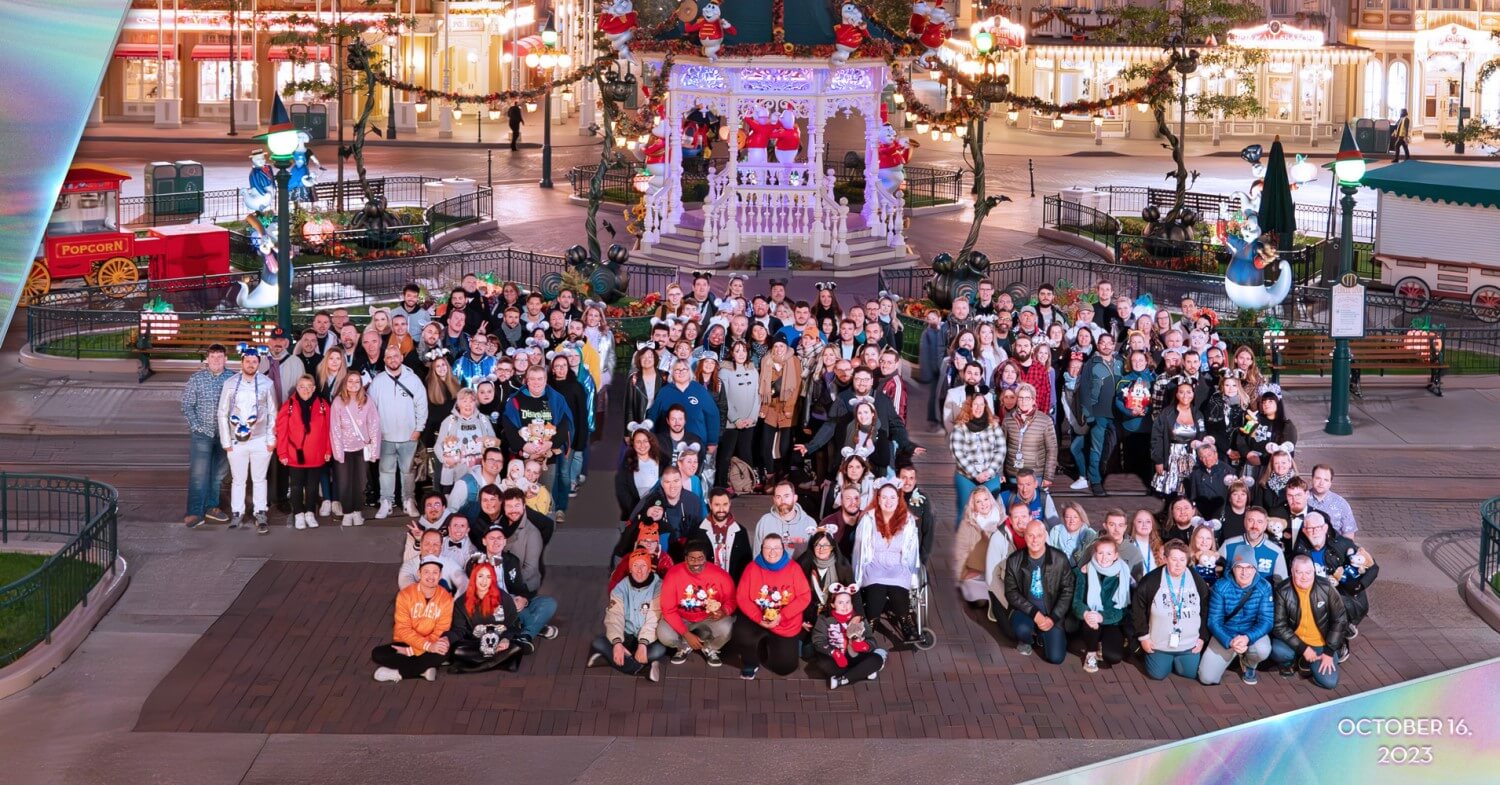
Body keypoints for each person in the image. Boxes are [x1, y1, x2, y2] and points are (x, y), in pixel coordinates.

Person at [852, 481, 924, 644]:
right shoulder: (868, 520)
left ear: (899, 499)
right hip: (874, 563)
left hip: (898, 564)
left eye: (892, 497)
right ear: (877, 499)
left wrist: (913, 573)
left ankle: (906, 623)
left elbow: (912, 550)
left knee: (897, 588)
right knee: (876, 590)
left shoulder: (907, 521)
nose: (888, 501)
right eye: (884, 497)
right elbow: (859, 549)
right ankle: (871, 623)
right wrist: (857, 573)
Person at [732, 533, 812, 680]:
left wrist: (782, 616)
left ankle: (768, 644)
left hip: (784, 620)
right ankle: (751, 661)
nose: (772, 552)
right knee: (741, 631)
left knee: (785, 668)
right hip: (758, 616)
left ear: (783, 549)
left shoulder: (794, 569)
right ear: (761, 549)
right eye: (768, 547)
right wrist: (757, 617)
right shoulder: (752, 568)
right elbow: (742, 597)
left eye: (776, 547)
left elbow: (804, 596)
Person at [1292, 511, 1377, 648]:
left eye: (1318, 528)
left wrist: (1358, 585)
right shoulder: (1300, 549)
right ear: (1304, 531)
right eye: (1309, 529)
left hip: (1347, 599)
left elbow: (1372, 567)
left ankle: (1339, 642)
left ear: (1325, 528)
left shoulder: (1342, 545)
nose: (1314, 532)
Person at [469, 522, 559, 650]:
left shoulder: (511, 560)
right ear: (484, 541)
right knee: (517, 611)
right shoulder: (476, 561)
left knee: (548, 603)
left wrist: (524, 599)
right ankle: (530, 632)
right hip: (494, 607)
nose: (496, 542)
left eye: (499, 538)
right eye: (492, 538)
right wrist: (507, 601)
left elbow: (519, 587)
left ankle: (526, 631)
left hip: (514, 601)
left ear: (505, 541)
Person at [218, 346, 278, 534]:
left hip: (260, 439)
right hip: (236, 441)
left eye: (254, 362)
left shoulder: (267, 383)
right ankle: (237, 512)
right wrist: (226, 441)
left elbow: (272, 413)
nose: (251, 364)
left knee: (260, 478)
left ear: (259, 364)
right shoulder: (230, 383)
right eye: (247, 361)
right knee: (238, 479)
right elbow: (222, 412)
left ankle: (261, 512)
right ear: (242, 362)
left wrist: (271, 439)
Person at [1133, 540, 1210, 681]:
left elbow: (1205, 608)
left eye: (1182, 559)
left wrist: (1202, 637)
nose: (1178, 564)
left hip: (1189, 643)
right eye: (1174, 559)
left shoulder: (1195, 579)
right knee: (1157, 674)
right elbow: (1138, 610)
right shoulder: (1151, 580)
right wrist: (1143, 637)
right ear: (1165, 559)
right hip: (1160, 644)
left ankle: (1177, 660)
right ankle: (1156, 658)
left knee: (1190, 674)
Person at [1199, 544, 1275, 685]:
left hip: (1249, 634)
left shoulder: (1264, 587)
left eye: (1249, 567)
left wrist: (1247, 637)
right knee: (1207, 678)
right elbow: (1214, 621)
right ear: (1233, 568)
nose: (1244, 572)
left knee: (1263, 650)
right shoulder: (1221, 586)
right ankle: (1233, 653)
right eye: (1240, 567)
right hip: (1226, 634)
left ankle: (1249, 663)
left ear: (1255, 569)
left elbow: (1267, 620)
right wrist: (1230, 640)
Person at [1001, 520, 1075, 664]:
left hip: (1052, 611)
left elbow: (1067, 590)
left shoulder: (1059, 559)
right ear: (1024, 536)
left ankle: (1044, 635)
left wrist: (1053, 618)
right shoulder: (1014, 560)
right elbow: (1011, 592)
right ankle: (1028, 638)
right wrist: (1036, 614)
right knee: (1021, 630)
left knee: (1056, 658)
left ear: (1045, 536)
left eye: (1039, 535)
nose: (1035, 540)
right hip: (1026, 610)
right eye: (1030, 535)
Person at [368, 344, 428, 519]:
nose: (393, 360)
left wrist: (419, 429)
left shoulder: (413, 379)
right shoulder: (378, 381)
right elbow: (372, 410)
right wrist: (375, 434)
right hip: (385, 436)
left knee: (408, 471)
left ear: (401, 358)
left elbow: (421, 405)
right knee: (385, 471)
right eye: (389, 357)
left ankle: (409, 501)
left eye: (396, 356)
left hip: (409, 435)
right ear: (384, 360)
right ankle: (386, 502)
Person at [1271, 554, 1347, 688]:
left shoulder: (1326, 588)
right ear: (1292, 572)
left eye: (1308, 572)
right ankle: (1292, 662)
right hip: (1295, 642)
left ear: (1314, 571)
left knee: (1329, 682)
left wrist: (1329, 652)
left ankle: (1310, 662)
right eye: (1299, 572)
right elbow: (1279, 626)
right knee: (1277, 650)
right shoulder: (1283, 590)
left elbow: (1340, 620)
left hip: (1321, 644)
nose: (1304, 577)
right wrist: (1303, 648)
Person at [658, 540, 737, 667]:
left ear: (706, 558)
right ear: (685, 559)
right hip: (682, 617)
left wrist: (724, 611)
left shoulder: (720, 575)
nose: (696, 562)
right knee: (663, 634)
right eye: (692, 558)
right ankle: (683, 646)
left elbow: (732, 600)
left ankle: (709, 647)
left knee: (727, 628)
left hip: (708, 617)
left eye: (700, 558)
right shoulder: (673, 574)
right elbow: (668, 609)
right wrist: (686, 634)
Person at [372, 557, 453, 683]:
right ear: (419, 573)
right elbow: (403, 630)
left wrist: (413, 651)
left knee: (444, 652)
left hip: (430, 644)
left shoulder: (446, 599)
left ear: (440, 575)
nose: (431, 576)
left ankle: (398, 674)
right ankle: (422, 669)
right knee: (378, 654)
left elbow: (440, 631)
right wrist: (425, 647)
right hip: (407, 642)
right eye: (426, 572)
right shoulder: (405, 595)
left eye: (435, 572)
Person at [183, 344, 234, 528]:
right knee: (199, 474)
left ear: (225, 359)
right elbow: (187, 405)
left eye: (220, 357)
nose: (216, 360)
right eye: (213, 357)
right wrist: (197, 427)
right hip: (202, 433)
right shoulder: (197, 379)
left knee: (218, 474)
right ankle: (195, 512)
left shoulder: (232, 378)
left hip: (224, 434)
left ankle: (212, 507)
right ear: (207, 359)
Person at [445, 562, 524, 674]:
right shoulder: (461, 602)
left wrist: (505, 638)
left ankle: (471, 668)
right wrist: (445, 639)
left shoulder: (503, 597)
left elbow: (513, 623)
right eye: (480, 576)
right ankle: (501, 663)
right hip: (474, 644)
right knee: (457, 651)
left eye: (488, 577)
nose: (484, 581)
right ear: (473, 578)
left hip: (499, 643)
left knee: (517, 647)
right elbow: (459, 630)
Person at [275, 374, 332, 530]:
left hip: (316, 454)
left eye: (309, 387)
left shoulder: (322, 405)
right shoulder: (289, 405)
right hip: (295, 454)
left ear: (313, 388)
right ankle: (299, 513)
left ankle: (309, 512)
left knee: (313, 486)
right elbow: (281, 431)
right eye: (302, 387)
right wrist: (282, 453)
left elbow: (329, 430)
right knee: (296, 486)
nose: (305, 390)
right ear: (297, 388)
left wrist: (328, 449)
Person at [812, 581, 887, 689]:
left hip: (855, 655)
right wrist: (833, 652)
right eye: (841, 603)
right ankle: (862, 672)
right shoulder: (824, 618)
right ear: (832, 604)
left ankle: (841, 680)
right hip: (834, 657)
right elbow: (818, 640)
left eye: (848, 602)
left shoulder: (858, 618)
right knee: (824, 664)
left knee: (876, 660)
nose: (845, 606)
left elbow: (871, 640)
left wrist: (864, 645)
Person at [1071, 537, 1131, 673]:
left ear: (1115, 555)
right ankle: (1091, 653)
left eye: (1109, 553)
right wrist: (1086, 613)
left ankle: (1099, 644)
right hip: (1089, 619)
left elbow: (1120, 611)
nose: (1104, 558)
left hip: (1110, 621)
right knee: (1092, 624)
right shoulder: (1085, 571)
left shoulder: (1122, 573)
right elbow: (1076, 602)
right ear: (1094, 553)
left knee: (1114, 656)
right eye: (1100, 553)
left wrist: (1102, 617)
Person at [949, 394, 1005, 526]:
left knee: (992, 511)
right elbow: (958, 453)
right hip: (967, 476)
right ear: (969, 407)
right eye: (975, 405)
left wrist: (990, 471)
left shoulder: (994, 425)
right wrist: (975, 474)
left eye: (982, 404)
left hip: (990, 475)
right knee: (965, 512)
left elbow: (1001, 449)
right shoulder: (959, 428)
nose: (979, 408)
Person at [1078, 333, 1122, 496]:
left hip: (1118, 413)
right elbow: (1084, 388)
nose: (1106, 346)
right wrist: (1087, 412)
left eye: (1109, 343)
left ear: (1113, 345)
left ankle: (1111, 479)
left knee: (1113, 448)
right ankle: (1095, 481)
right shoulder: (1092, 363)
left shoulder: (1120, 362)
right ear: (1098, 345)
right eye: (1102, 343)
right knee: (1096, 448)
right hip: (1099, 413)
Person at [953, 486, 1003, 607]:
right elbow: (960, 553)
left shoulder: (1003, 519)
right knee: (979, 602)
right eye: (978, 501)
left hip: (1000, 572)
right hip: (978, 572)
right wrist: (962, 574)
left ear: (991, 500)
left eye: (985, 499)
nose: (983, 504)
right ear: (973, 505)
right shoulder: (967, 524)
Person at [1002, 383, 1057, 487]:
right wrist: (1000, 472)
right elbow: (1001, 447)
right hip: (1013, 473)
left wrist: (1048, 476)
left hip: (1036, 473)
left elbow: (1052, 450)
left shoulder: (1045, 420)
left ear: (1033, 400)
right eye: (1021, 398)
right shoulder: (1008, 419)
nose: (1023, 401)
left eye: (1027, 398)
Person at [691, 487, 753, 579]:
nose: (721, 509)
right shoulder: (697, 531)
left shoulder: (741, 532)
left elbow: (746, 564)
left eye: (725, 504)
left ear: (730, 504)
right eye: (717, 505)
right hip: (705, 586)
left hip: (733, 586)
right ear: (710, 504)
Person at [754, 480, 818, 557]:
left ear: (795, 498)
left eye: (786, 496)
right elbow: (757, 555)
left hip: (800, 568)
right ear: (774, 500)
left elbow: (814, 556)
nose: (782, 501)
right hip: (771, 569)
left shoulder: (810, 523)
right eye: (778, 497)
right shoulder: (764, 522)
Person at [1307, 464, 1358, 537]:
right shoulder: (1301, 499)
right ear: (1312, 479)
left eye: (1326, 480)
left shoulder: (1341, 504)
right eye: (1318, 478)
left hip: (1333, 546)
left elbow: (1348, 534)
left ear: (1330, 483)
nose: (1321, 483)